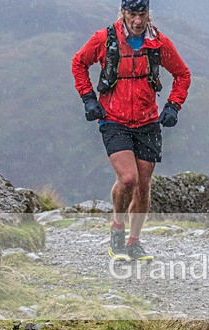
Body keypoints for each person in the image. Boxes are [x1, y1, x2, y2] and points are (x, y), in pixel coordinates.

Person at [71, 0, 190, 261]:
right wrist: (88, 98)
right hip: (113, 119)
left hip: (147, 121)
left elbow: (182, 74)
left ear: (149, 13)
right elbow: (79, 63)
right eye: (132, 14)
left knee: (143, 187)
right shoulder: (105, 38)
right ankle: (117, 230)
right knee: (128, 178)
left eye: (142, 14)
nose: (138, 20)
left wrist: (173, 105)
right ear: (123, 13)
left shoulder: (158, 42)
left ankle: (134, 242)